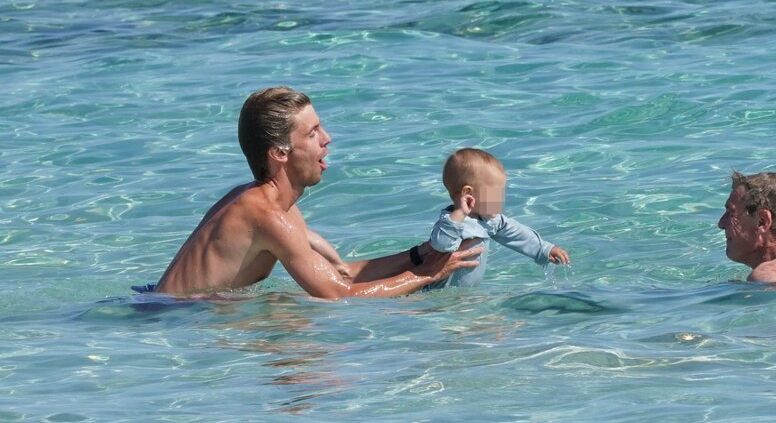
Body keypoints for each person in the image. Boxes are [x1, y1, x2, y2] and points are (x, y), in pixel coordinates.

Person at [153, 87, 482, 299]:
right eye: (312, 134)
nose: (327, 139)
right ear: (279, 153)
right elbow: (338, 295)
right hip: (172, 320)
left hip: (175, 311)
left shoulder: (276, 207)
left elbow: (342, 272)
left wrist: (419, 255)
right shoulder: (265, 215)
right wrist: (426, 274)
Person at [427, 148, 569, 288]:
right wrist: (458, 215)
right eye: (496, 193)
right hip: (439, 294)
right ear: (468, 193)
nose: (502, 199)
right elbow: (441, 244)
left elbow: (516, 233)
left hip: (464, 296)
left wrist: (544, 249)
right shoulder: (449, 223)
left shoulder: (487, 220)